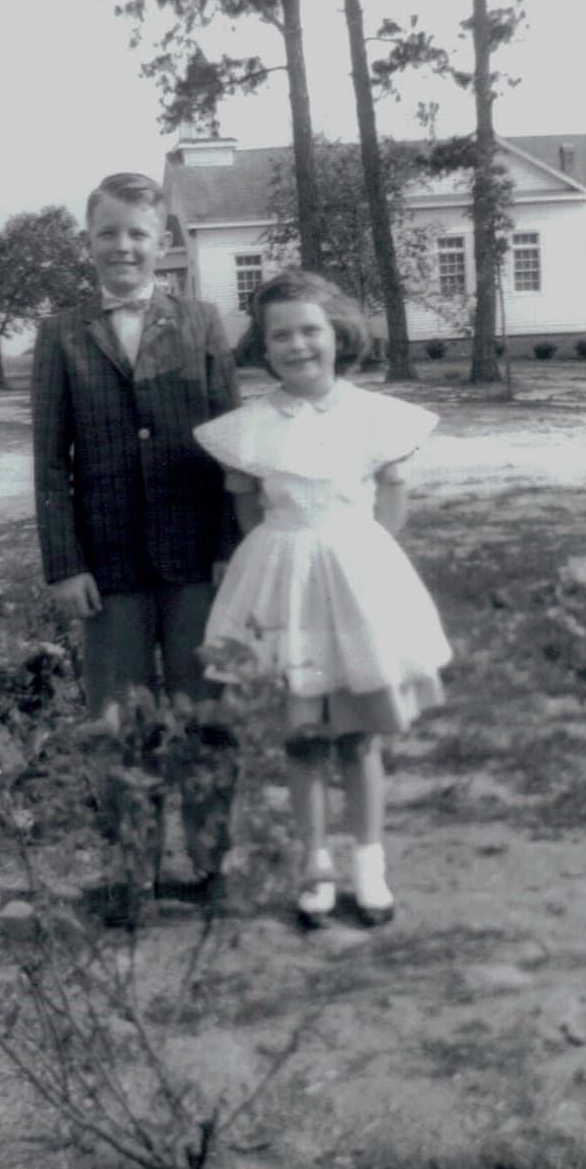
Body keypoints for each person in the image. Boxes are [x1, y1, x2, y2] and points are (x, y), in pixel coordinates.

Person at [193, 270, 451, 927]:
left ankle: (369, 861)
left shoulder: (374, 417)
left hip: (358, 587)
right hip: (283, 592)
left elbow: (392, 506)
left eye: (310, 330)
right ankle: (314, 863)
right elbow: (250, 513)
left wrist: (356, 562)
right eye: (281, 335)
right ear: (264, 345)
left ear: (337, 334)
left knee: (359, 738)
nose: (298, 345)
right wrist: (286, 566)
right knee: (304, 737)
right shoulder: (248, 429)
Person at [31, 171, 240, 893]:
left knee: (202, 710)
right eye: (108, 233)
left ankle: (211, 866)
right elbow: (50, 462)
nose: (123, 246)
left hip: (195, 562)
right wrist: (64, 563)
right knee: (117, 720)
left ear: (164, 242)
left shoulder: (203, 322)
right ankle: (130, 876)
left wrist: (228, 551)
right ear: (88, 242)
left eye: (138, 233)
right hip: (108, 565)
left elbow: (232, 447)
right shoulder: (62, 334)